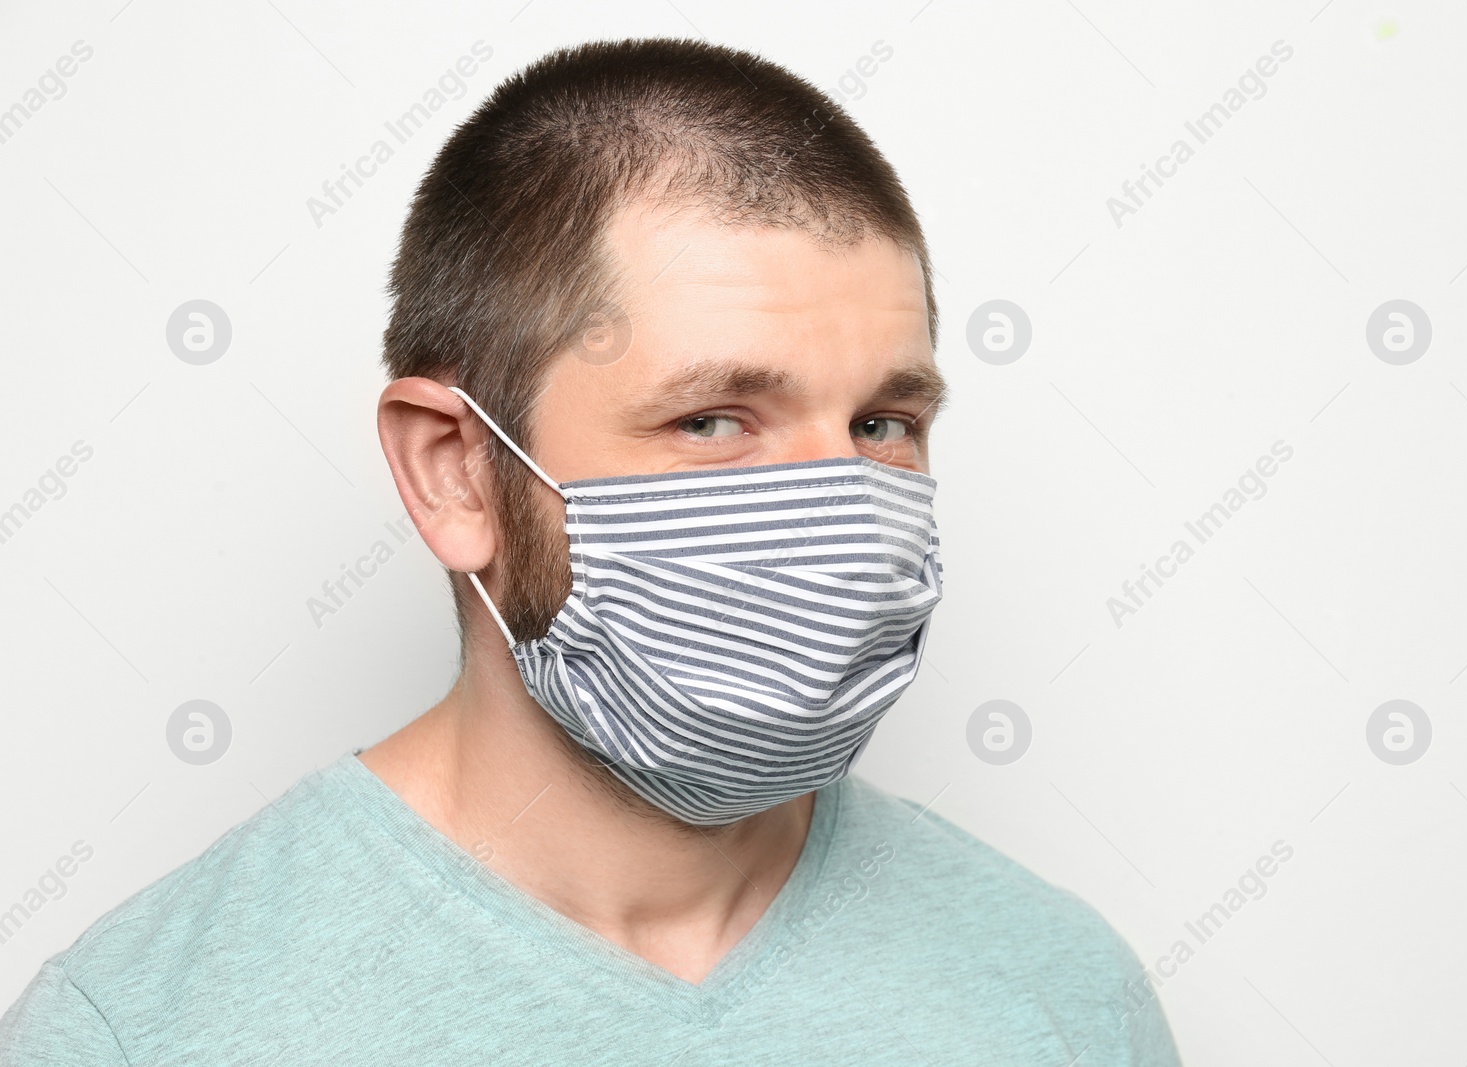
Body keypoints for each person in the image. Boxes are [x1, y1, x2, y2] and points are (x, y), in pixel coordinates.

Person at [0, 37, 1182, 1065]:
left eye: (882, 424)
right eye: (713, 418)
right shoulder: (147, 1032)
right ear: (454, 471)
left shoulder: (1063, 996)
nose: (842, 518)